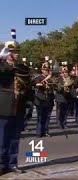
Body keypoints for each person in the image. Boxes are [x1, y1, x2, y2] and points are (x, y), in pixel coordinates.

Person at [0, 38, 30, 174]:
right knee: (2, 137)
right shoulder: (2, 67)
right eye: (13, 51)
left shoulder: (22, 68)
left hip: (18, 106)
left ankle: (12, 163)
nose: (17, 54)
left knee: (14, 137)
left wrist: (29, 102)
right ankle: (1, 164)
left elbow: (28, 86)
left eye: (17, 51)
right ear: (7, 53)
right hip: (4, 106)